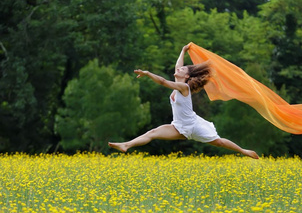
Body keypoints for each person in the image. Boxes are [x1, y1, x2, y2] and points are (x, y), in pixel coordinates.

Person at [108, 44, 259, 159]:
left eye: (182, 70)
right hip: (179, 126)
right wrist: (183, 51)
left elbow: (162, 81)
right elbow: (177, 66)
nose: (179, 69)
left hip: (193, 126)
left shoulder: (183, 87)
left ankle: (243, 151)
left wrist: (147, 73)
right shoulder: (179, 80)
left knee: (218, 142)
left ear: (186, 77)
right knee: (152, 132)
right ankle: (126, 145)